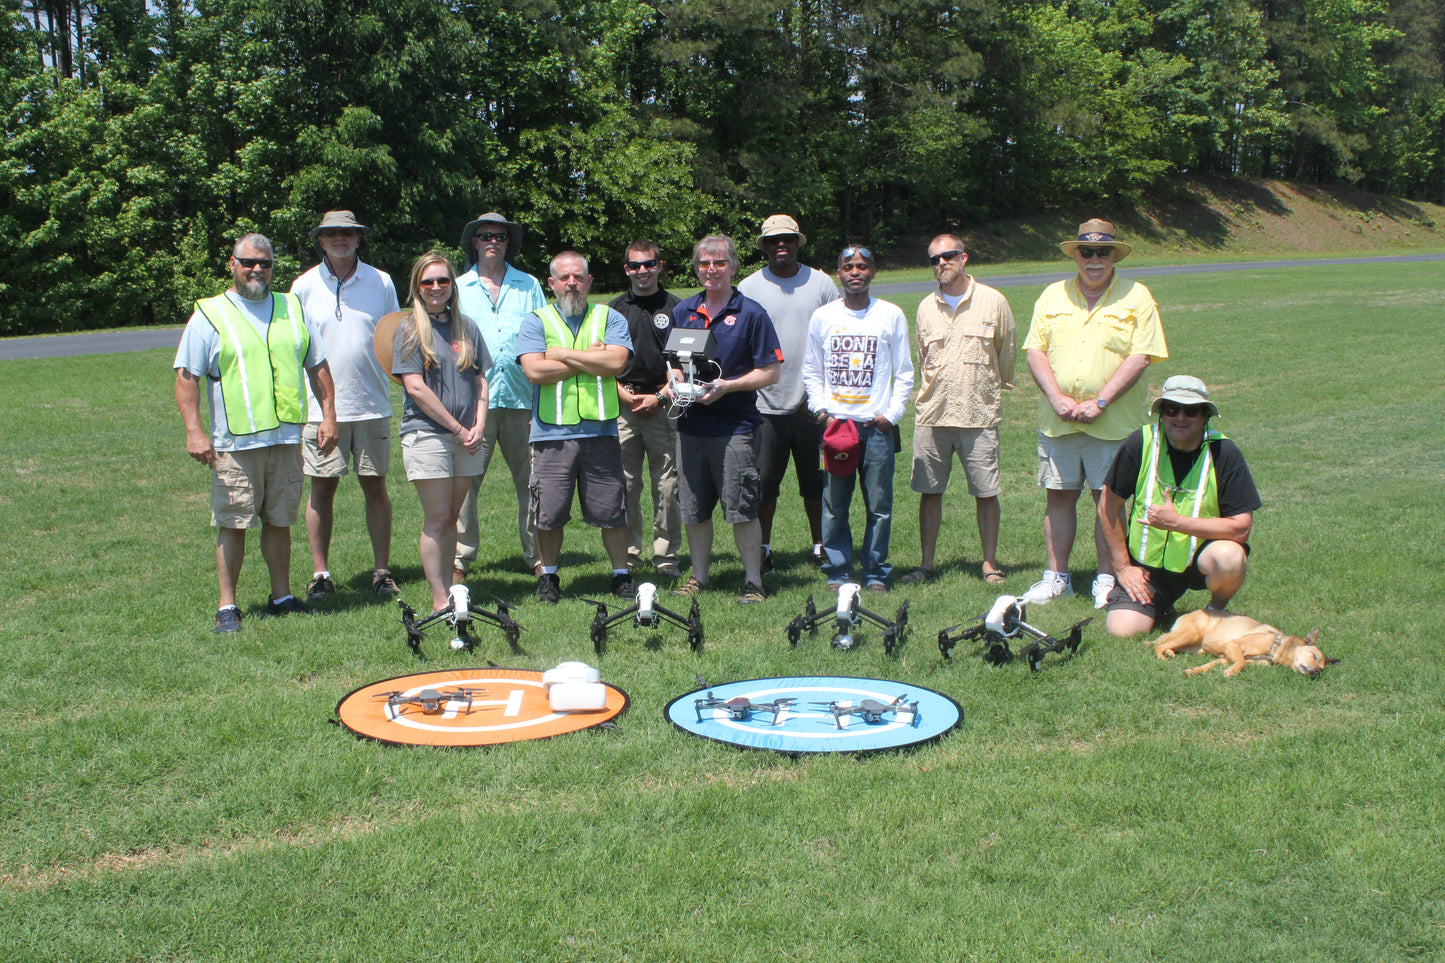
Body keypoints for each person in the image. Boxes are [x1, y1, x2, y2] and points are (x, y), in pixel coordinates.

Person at [174, 234, 337, 633]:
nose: (257, 270)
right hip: (234, 444)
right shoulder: (210, 314)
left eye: (264, 263)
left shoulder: (290, 307)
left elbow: (317, 366)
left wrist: (329, 415)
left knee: (280, 521)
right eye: (248, 262)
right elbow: (186, 377)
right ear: (232, 263)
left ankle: (281, 596)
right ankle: (227, 606)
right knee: (233, 523)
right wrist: (194, 431)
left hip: (284, 439)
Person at [1020, 218, 1168, 608]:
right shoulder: (1052, 295)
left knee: (1109, 501)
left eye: (1103, 252)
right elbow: (1035, 350)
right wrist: (1056, 398)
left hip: (1114, 422)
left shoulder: (1137, 296)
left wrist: (1100, 401)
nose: (1095, 259)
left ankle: (1106, 578)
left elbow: (1142, 355)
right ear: (1077, 255)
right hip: (1059, 420)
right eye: (1087, 252)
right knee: (1059, 497)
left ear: (1114, 256)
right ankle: (1056, 578)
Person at [289, 210, 402, 600]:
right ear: (321, 241)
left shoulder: (381, 281)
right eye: (332, 233)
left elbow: (393, 336)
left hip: (372, 404)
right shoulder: (302, 287)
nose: (340, 238)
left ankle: (382, 571)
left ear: (358, 239)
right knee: (321, 490)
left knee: (376, 487)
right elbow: (295, 347)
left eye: (348, 233)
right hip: (320, 411)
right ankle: (320, 574)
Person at [665, 235, 782, 604]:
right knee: (694, 509)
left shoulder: (752, 313)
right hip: (690, 427)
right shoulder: (684, 311)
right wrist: (675, 383)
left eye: (719, 263)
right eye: (704, 263)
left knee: (741, 507)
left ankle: (753, 581)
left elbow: (771, 371)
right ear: (696, 268)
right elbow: (673, 365)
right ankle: (700, 577)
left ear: (733, 267)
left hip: (735, 428)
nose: (711, 270)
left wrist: (728, 386)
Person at [1097, 376, 1260, 636]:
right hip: (1148, 568)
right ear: (1161, 414)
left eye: (1191, 410)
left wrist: (1177, 523)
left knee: (1231, 557)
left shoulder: (1224, 452)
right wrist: (1124, 568)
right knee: (1122, 631)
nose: (1180, 417)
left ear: (1205, 416)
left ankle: (1215, 612)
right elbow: (1107, 504)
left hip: (1200, 560)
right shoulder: (1140, 442)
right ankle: (1159, 605)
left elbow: (1241, 528)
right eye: (1171, 409)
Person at [516, 251, 636, 604]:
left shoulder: (608, 317)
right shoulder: (536, 321)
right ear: (551, 283)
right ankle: (549, 577)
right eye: (564, 278)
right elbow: (535, 371)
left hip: (601, 433)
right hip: (550, 435)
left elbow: (615, 362)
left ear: (589, 282)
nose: (572, 284)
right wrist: (590, 360)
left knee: (613, 510)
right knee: (548, 512)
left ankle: (621, 575)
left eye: (578, 277)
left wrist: (562, 355)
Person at [899, 234, 1016, 587]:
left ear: (963, 258)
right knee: (929, 491)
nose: (941, 264)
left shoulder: (994, 302)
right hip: (933, 415)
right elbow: (923, 358)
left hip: (978, 415)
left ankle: (989, 564)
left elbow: (1006, 353)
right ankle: (926, 564)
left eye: (948, 257)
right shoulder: (924, 308)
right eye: (934, 259)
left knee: (986, 492)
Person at [802, 246, 914, 591]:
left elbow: (905, 372)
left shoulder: (890, 315)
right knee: (834, 505)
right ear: (838, 273)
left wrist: (892, 415)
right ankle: (838, 571)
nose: (855, 272)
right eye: (848, 266)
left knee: (879, 506)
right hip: (838, 428)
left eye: (862, 266)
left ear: (873, 273)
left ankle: (875, 572)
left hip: (875, 428)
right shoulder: (823, 316)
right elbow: (811, 369)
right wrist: (820, 410)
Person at [389, 252, 490, 615]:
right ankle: (438, 599)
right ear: (417, 286)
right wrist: (460, 428)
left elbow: (480, 379)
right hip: (427, 434)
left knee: (452, 515)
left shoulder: (468, 327)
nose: (436, 288)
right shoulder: (410, 329)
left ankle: (451, 588)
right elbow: (415, 387)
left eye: (443, 281)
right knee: (437, 519)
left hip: (467, 437)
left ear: (452, 285)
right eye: (428, 282)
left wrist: (479, 423)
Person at [737, 214, 839, 571]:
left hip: (814, 403)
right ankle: (762, 549)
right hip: (764, 403)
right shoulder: (748, 288)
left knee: (816, 485)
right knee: (764, 485)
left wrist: (828, 396)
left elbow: (835, 337)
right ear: (764, 246)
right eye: (774, 240)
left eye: (788, 240)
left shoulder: (822, 284)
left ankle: (821, 546)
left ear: (798, 243)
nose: (782, 245)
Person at [452, 212, 546, 583]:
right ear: (474, 241)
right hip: (474, 401)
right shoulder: (457, 286)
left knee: (533, 481)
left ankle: (538, 556)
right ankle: (459, 559)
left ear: (509, 243)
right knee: (466, 481)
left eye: (501, 236)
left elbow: (542, 334)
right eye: (486, 235)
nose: (493, 240)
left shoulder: (529, 285)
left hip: (524, 397)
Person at [607, 240, 682, 578]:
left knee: (667, 485)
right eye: (635, 265)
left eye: (648, 264)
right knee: (626, 484)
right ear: (626, 269)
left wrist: (660, 397)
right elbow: (605, 364)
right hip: (624, 404)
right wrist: (625, 396)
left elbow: (682, 365)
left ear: (659, 265)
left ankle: (665, 554)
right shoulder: (612, 310)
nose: (642, 271)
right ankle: (630, 553)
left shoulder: (677, 308)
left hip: (664, 404)